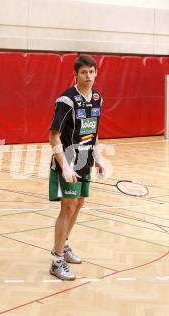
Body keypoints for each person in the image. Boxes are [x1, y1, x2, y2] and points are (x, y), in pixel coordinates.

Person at [48, 54, 106, 281]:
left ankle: (64, 245)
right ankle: (57, 260)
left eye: (92, 72)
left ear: (96, 73)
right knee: (67, 208)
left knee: (79, 204)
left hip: (86, 161)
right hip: (68, 161)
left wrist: (99, 157)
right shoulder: (66, 101)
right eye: (84, 72)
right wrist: (64, 167)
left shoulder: (97, 98)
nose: (89, 76)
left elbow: (94, 131)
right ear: (76, 75)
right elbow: (54, 136)